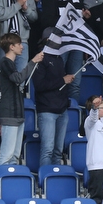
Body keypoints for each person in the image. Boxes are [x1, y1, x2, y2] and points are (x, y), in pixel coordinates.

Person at [0, 33, 43, 165]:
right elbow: (17, 78)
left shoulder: (9, 64)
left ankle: (10, 183)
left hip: (16, 114)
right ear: (11, 47)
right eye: (19, 44)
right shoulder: (5, 62)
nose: (22, 47)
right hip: (10, 113)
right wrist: (33, 62)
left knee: (14, 157)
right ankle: (2, 184)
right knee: (6, 156)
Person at [32, 28, 73, 166]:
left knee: (57, 151)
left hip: (62, 110)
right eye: (58, 38)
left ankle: (55, 181)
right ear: (48, 40)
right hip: (47, 110)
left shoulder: (59, 58)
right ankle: (45, 184)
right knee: (47, 150)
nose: (61, 41)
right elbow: (39, 85)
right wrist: (63, 80)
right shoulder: (40, 57)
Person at [46, 0, 86, 100]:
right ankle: (56, 103)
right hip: (60, 41)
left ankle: (73, 107)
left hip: (77, 41)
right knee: (58, 76)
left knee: (75, 79)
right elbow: (48, 19)